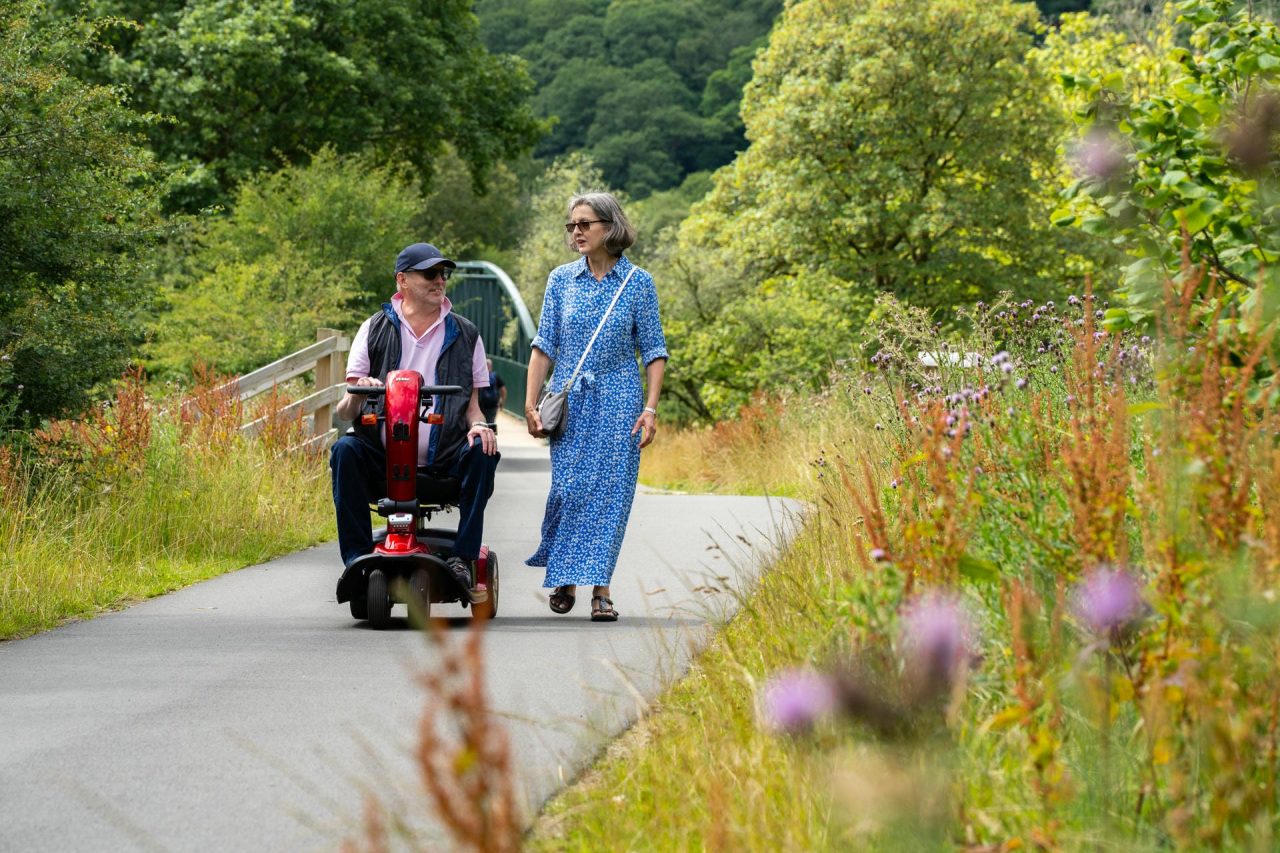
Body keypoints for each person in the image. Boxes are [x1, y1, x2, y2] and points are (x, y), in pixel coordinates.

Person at [523, 192, 668, 622]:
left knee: (610, 496)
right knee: (569, 491)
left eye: (585, 223)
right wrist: (530, 403)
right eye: (572, 225)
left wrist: (651, 408)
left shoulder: (638, 282)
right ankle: (566, 573)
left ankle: (601, 590)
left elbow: (654, 350)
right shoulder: (560, 280)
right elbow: (543, 346)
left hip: (621, 400)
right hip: (570, 400)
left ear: (611, 227)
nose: (577, 232)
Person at [330, 242, 499, 602]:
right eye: (430, 274)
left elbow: (473, 408)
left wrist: (479, 426)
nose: (440, 281)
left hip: (444, 458)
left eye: (443, 274)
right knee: (344, 450)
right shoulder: (373, 328)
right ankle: (357, 559)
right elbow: (345, 411)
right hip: (381, 454)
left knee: (482, 451)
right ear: (402, 280)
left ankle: (462, 558)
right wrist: (359, 394)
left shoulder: (466, 333)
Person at [478, 358, 507, 430]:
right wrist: (502, 401)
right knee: (491, 423)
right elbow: (503, 390)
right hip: (493, 404)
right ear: (491, 366)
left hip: (481, 404)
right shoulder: (495, 376)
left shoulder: (479, 376)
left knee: (480, 423)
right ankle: (492, 437)